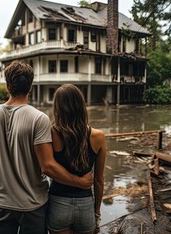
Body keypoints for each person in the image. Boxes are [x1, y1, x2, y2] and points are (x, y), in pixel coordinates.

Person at [0, 61, 93, 234]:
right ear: (30, 87)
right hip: (33, 205)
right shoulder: (39, 119)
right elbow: (48, 166)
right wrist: (80, 182)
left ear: (7, 86)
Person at [47, 84, 107, 234]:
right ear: (81, 105)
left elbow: (46, 167)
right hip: (85, 206)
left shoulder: (51, 133)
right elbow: (98, 180)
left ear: (58, 107)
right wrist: (97, 214)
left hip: (57, 203)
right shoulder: (98, 136)